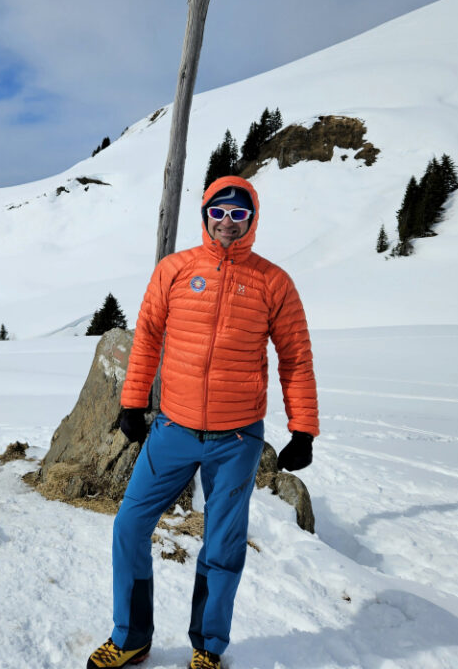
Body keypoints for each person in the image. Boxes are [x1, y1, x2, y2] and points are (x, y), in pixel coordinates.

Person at [87, 176, 319, 669]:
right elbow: (147, 336)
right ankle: (130, 636)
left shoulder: (273, 281)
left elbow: (295, 357)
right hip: (173, 429)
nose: (228, 222)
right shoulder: (175, 269)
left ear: (252, 220)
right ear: (205, 214)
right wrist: (133, 403)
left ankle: (208, 648)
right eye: (220, 211)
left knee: (222, 544)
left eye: (239, 214)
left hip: (236, 439)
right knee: (129, 525)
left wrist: (303, 428)